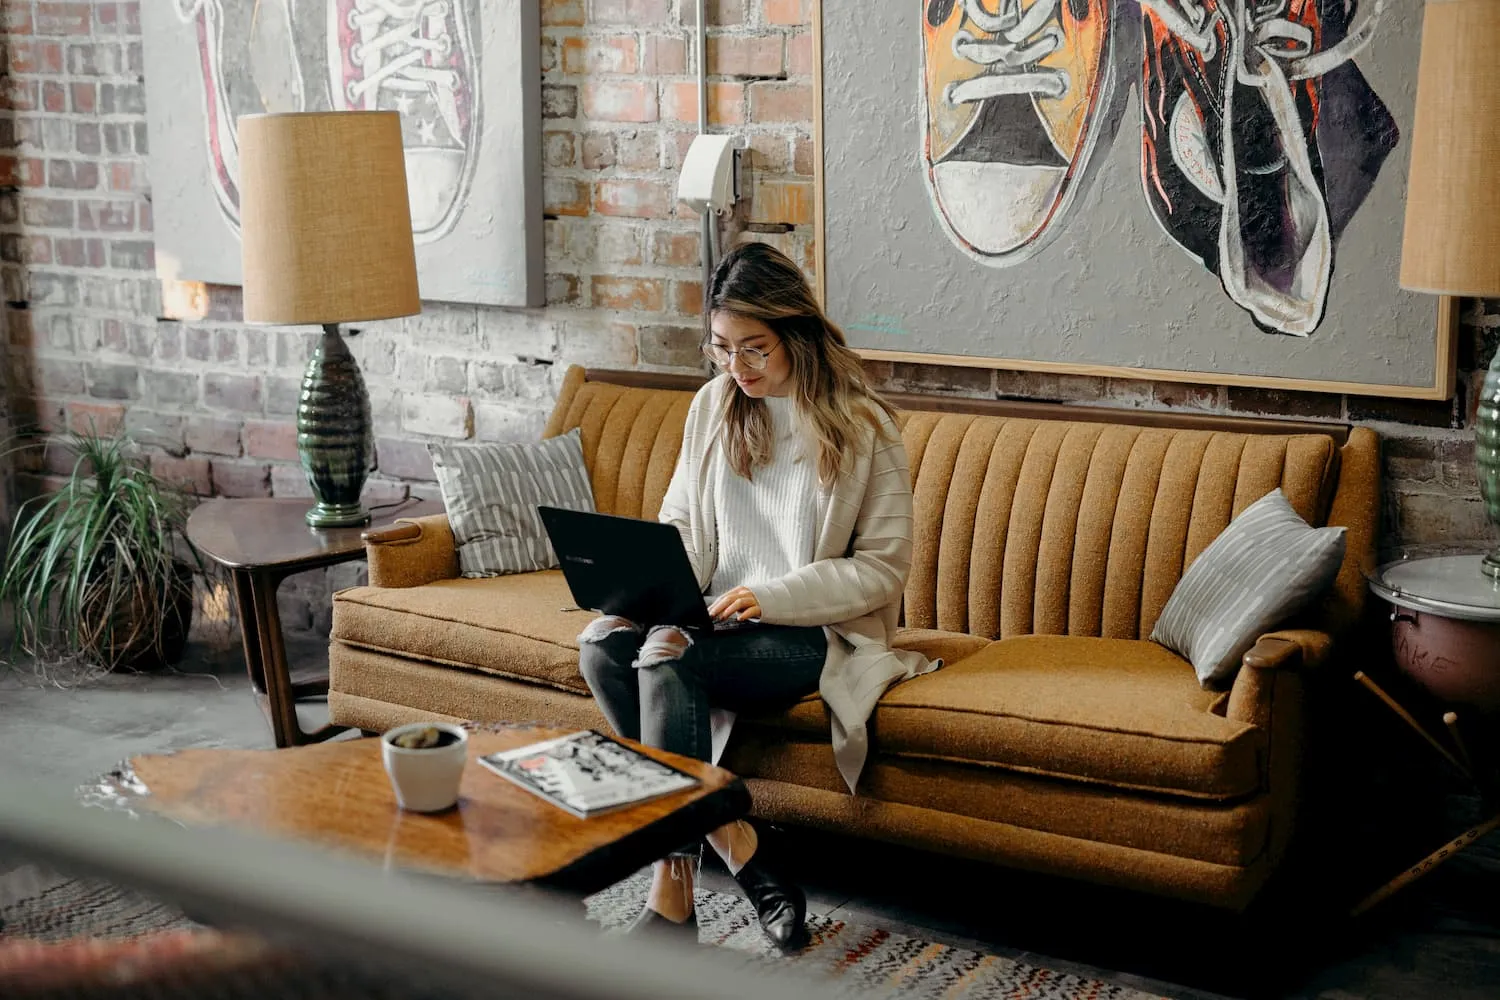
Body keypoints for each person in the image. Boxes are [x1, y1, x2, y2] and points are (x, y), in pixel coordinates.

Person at [576, 242, 935, 950]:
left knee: (665, 657)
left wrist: (768, 596)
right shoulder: (713, 407)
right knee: (605, 644)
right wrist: (646, 585)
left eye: (754, 350)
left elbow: (882, 570)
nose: (736, 369)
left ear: (796, 334)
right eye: (721, 349)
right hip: (711, 615)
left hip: (807, 631)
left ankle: (671, 893)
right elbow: (681, 521)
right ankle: (737, 839)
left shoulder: (864, 427)